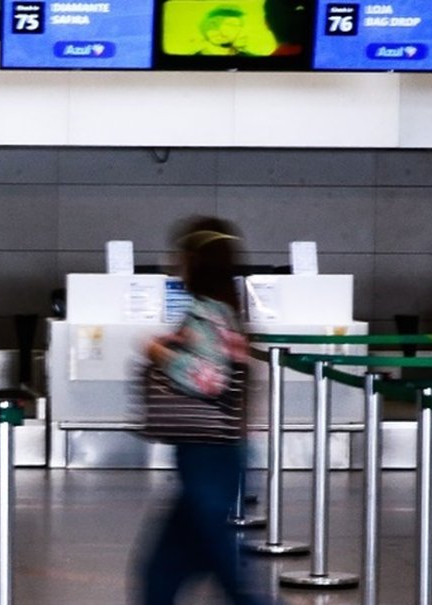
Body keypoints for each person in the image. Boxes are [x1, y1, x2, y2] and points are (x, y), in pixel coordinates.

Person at [136, 217, 269, 605]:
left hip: (207, 457)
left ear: (194, 260)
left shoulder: (205, 312)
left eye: (179, 255)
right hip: (219, 453)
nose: (173, 262)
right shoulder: (228, 311)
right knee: (160, 573)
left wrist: (158, 352)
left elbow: (208, 380)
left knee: (217, 575)